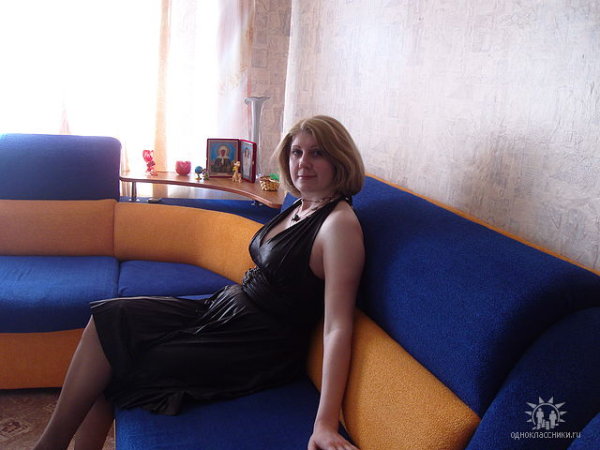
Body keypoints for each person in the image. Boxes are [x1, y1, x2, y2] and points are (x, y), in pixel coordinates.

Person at [35, 115, 365, 450]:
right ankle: (51, 444)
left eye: (317, 153)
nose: (303, 162)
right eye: (297, 152)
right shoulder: (302, 205)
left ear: (339, 159)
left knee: (121, 360)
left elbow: (337, 326)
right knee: (109, 319)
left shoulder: (338, 226)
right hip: (224, 310)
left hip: (254, 344)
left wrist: (325, 423)